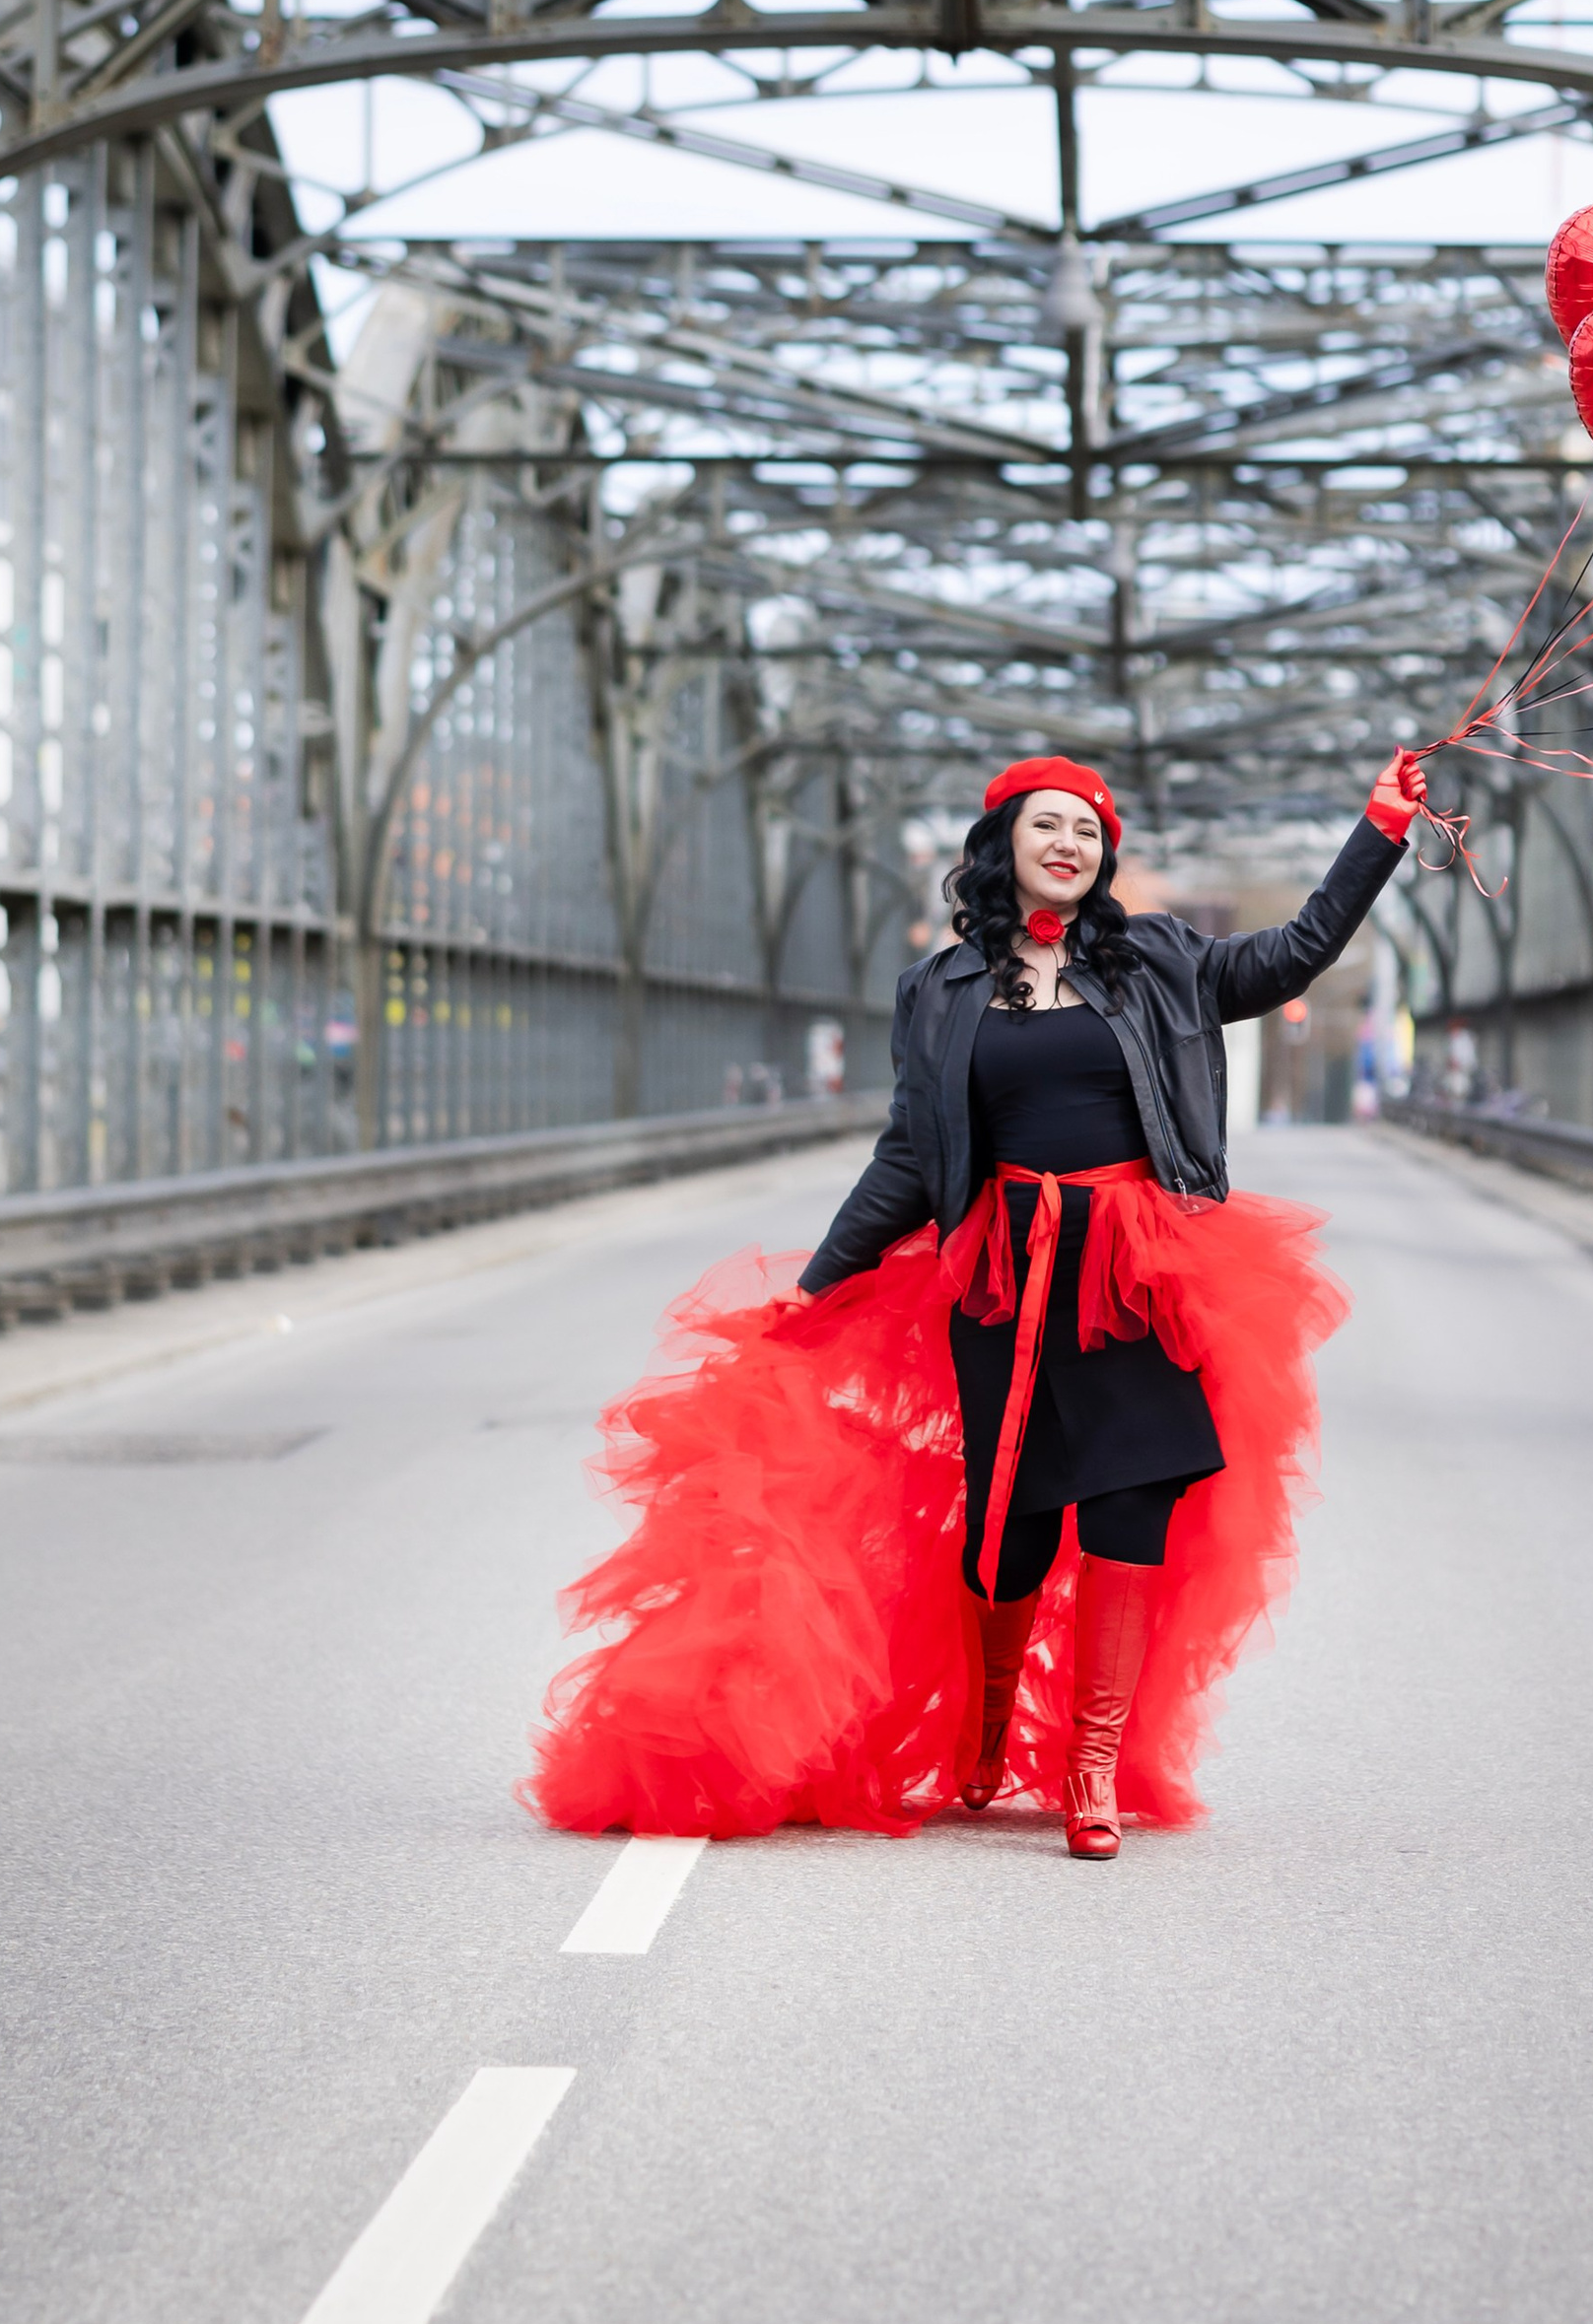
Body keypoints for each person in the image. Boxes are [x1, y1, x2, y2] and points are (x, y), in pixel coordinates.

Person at [526, 750, 1427, 1861]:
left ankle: (1088, 1768)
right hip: (1002, 1277)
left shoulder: (1157, 960)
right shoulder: (940, 989)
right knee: (1011, 1527)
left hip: (1136, 1270)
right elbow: (908, 1156)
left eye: (1090, 833)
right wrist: (817, 1287)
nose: (1071, 846)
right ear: (1003, 840)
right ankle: (989, 1730)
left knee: (1129, 1507)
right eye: (1049, 826)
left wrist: (1379, 830)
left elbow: (1294, 956)